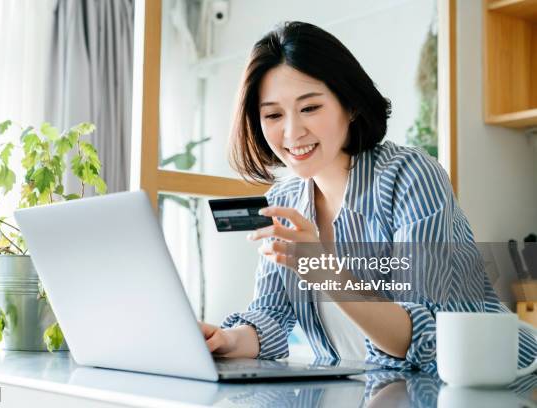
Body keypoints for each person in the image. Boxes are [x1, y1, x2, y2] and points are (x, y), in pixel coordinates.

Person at [199, 21, 536, 372]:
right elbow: (271, 315)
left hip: (499, 380)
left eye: (310, 108)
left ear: (351, 104)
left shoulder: (409, 177)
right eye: (272, 115)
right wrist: (226, 339)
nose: (292, 132)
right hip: (374, 390)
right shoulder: (284, 199)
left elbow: (426, 338)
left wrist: (322, 268)